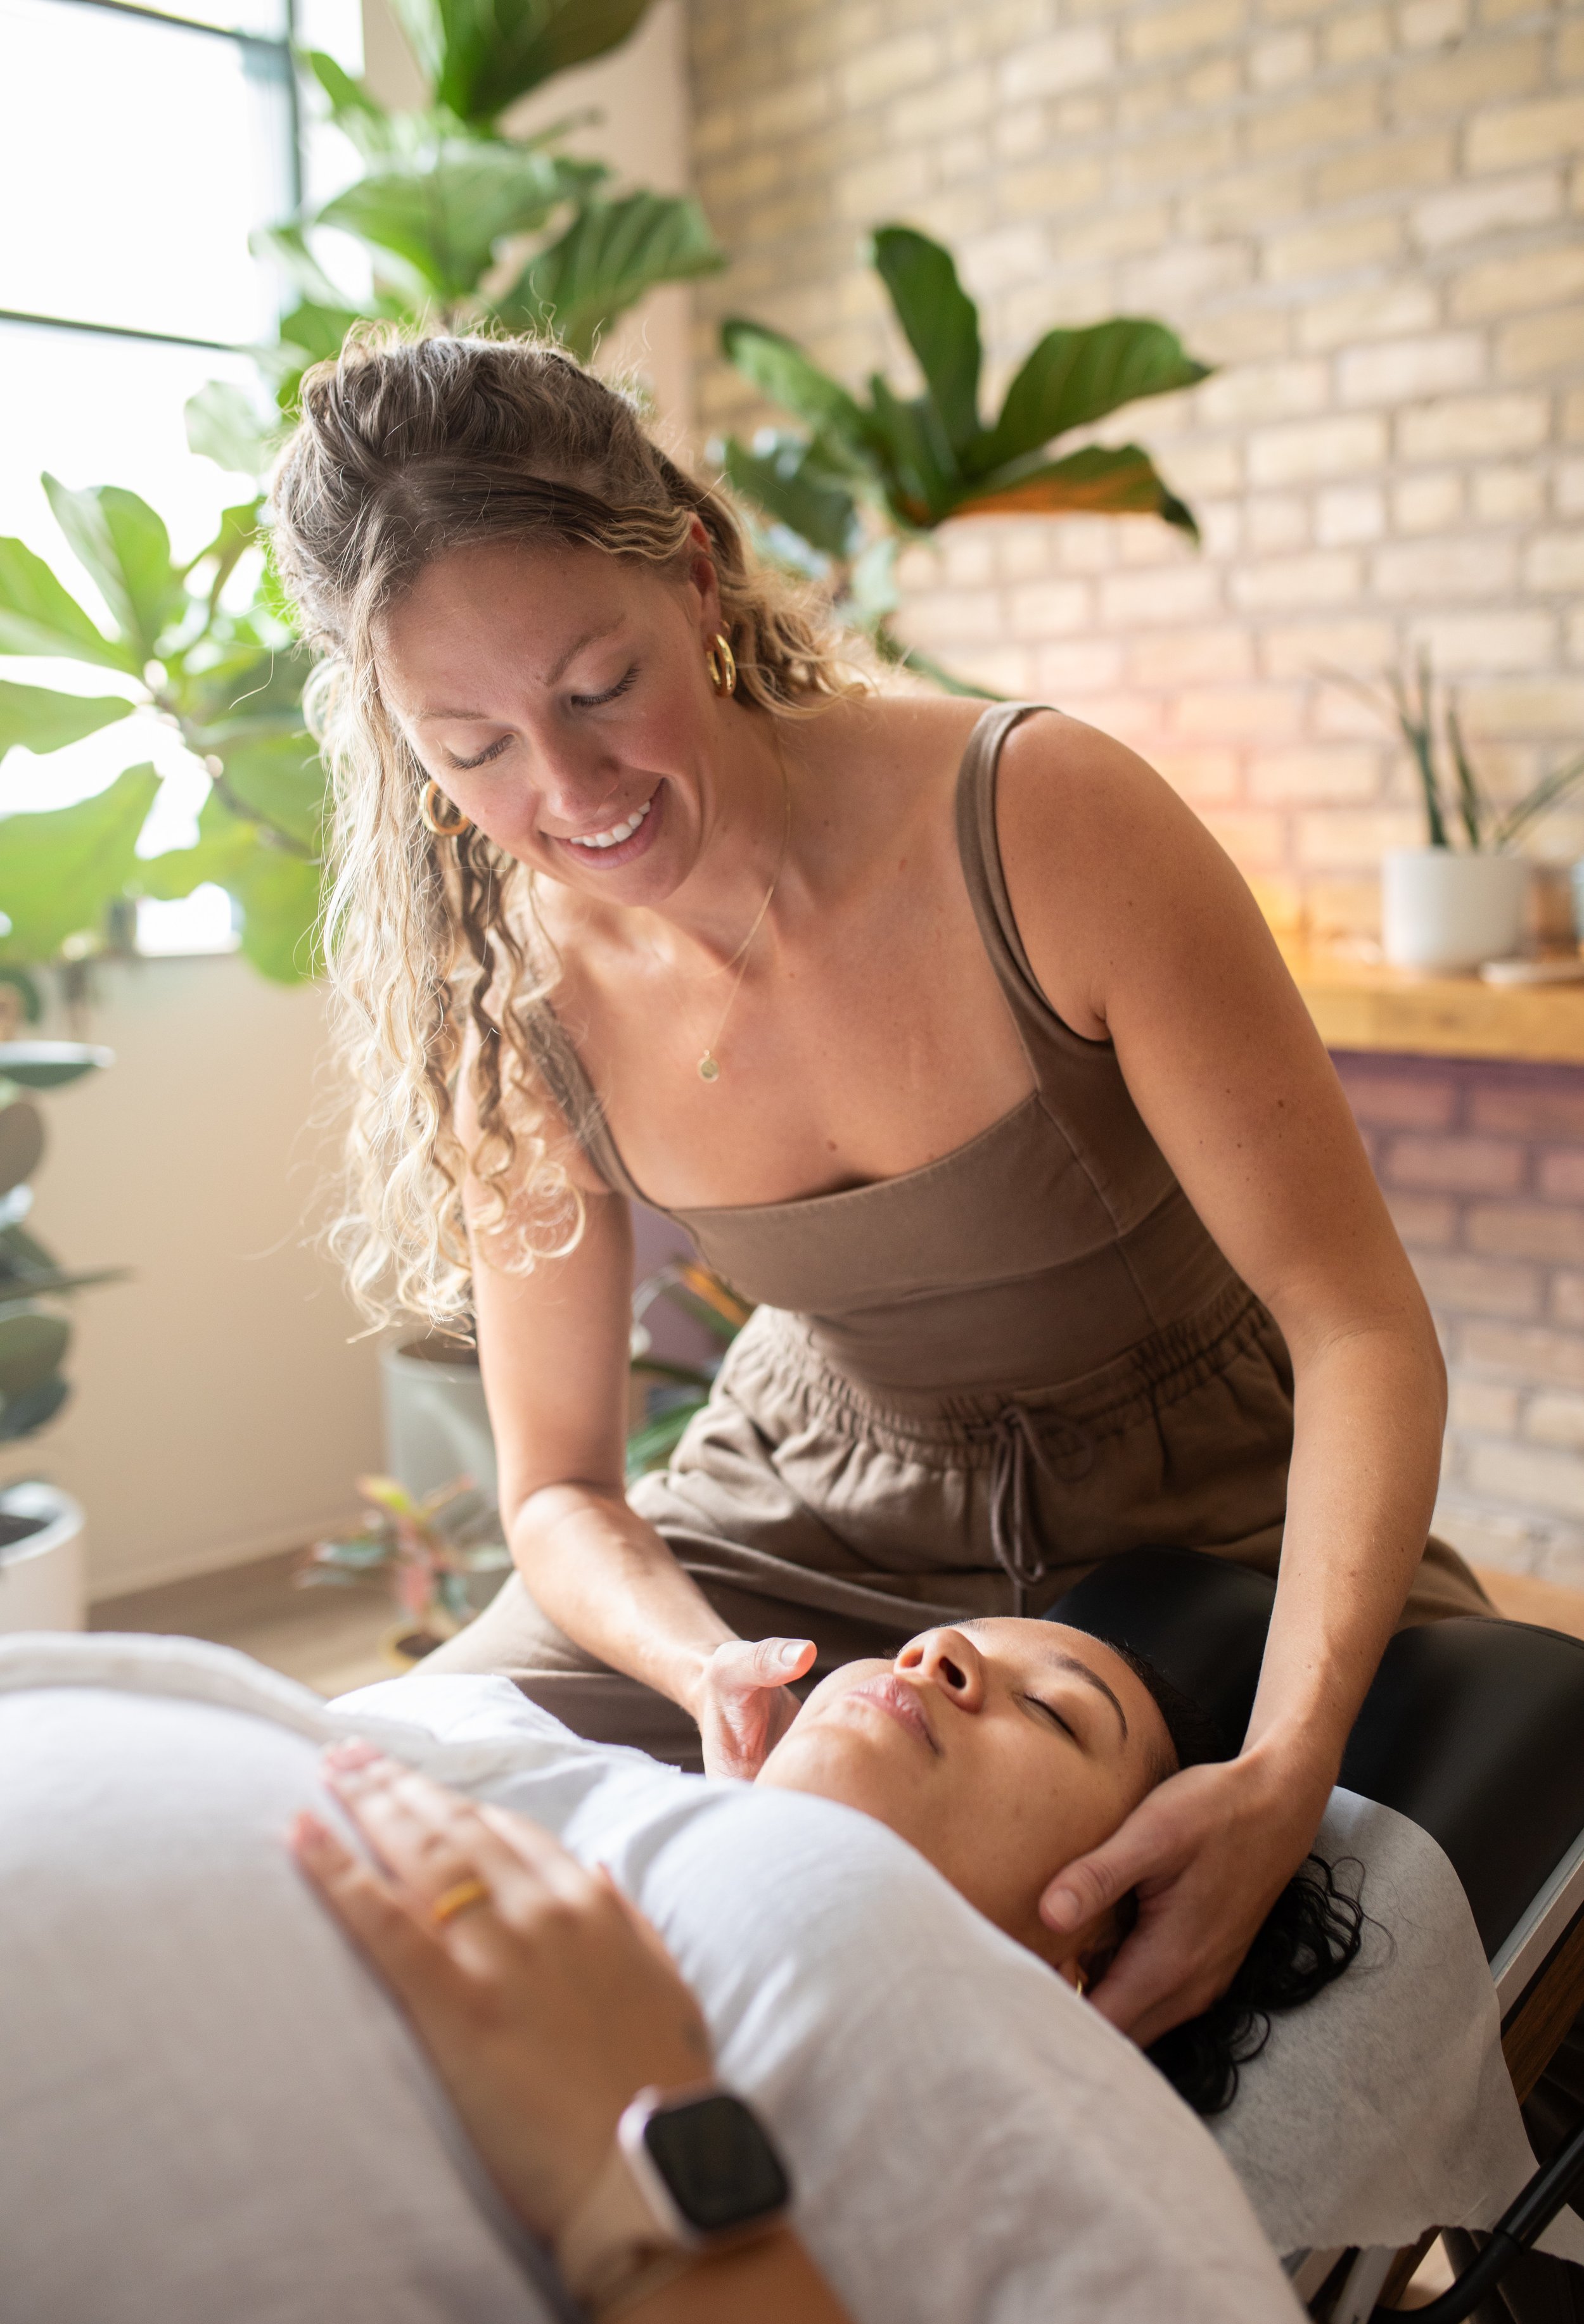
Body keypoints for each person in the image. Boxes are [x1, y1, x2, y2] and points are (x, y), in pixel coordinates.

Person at [271, 326, 1485, 2052]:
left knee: (1451, 1941)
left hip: (1210, 1508)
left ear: (692, 574)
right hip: (808, 1508)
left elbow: (1356, 1322)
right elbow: (555, 1490)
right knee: (353, 1810)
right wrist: (702, 1667)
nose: (568, 791)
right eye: (469, 746)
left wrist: (1285, 1768)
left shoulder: (1037, 817)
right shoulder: (512, 983)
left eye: (597, 686)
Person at [293, 1618, 1363, 2324]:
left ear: (1082, 1957)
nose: (937, 1652)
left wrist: (624, 2163)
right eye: (940, 1636)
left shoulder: (1044, 2114)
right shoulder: (548, 1749)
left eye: (1052, 1711)